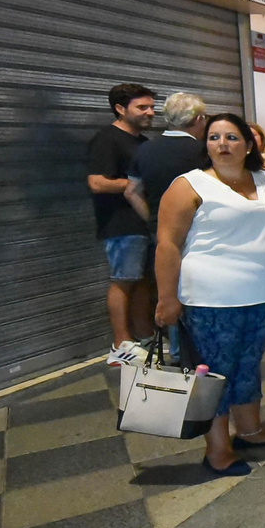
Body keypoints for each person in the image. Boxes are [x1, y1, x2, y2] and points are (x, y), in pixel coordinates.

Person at [154, 113, 265, 476]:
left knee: (248, 364)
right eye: (214, 137)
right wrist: (166, 298)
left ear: (249, 144)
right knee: (215, 372)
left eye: (232, 137)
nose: (222, 144)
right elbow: (167, 244)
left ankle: (251, 430)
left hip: (263, 294)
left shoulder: (264, 179)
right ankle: (218, 449)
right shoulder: (190, 185)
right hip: (211, 297)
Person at [89, 83, 157, 346]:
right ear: (119, 108)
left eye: (151, 107)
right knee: (124, 280)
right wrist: (136, 185)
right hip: (121, 224)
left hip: (143, 222)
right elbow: (97, 182)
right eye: (142, 107)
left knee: (141, 281)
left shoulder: (142, 142)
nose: (150, 112)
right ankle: (121, 343)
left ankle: (145, 335)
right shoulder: (107, 139)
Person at [125, 92, 207, 226]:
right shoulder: (204, 151)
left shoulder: (143, 149)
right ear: (198, 119)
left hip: (161, 231)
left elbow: (131, 192)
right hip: (199, 231)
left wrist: (155, 222)